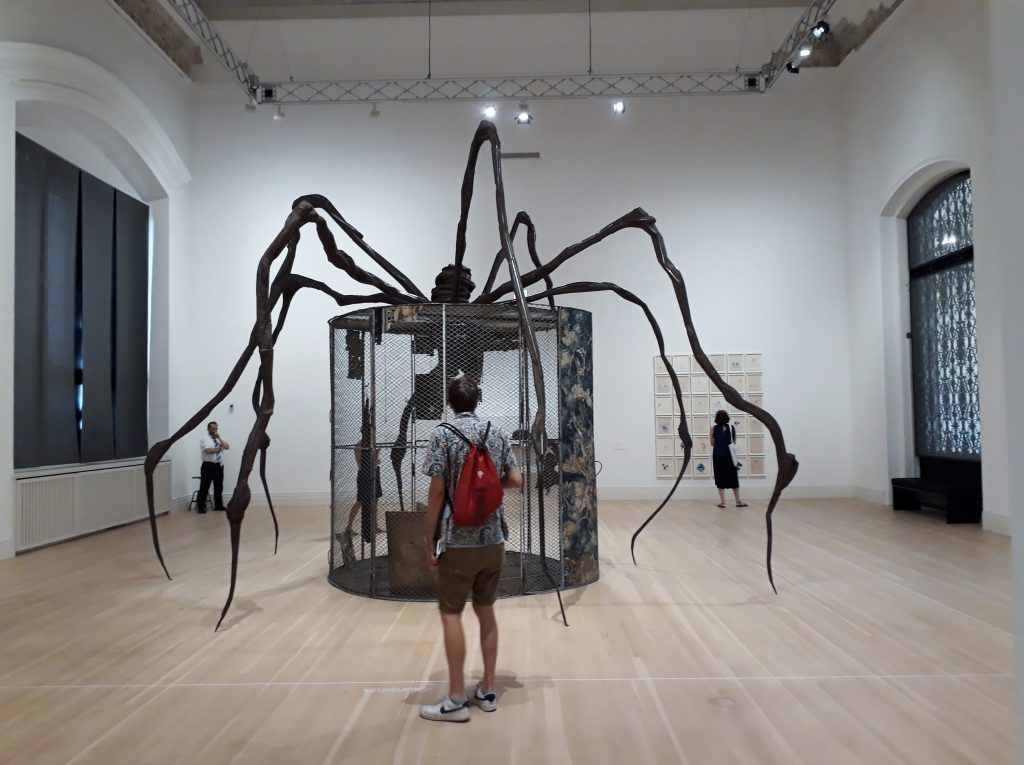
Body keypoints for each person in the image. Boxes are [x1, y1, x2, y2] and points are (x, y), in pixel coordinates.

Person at [419, 376, 523, 723]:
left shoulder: (442, 434)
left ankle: (457, 699)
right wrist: (487, 486)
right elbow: (516, 481)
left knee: (452, 614)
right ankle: (488, 690)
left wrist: (429, 537)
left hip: (457, 540)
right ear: (477, 400)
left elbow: (436, 492)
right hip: (494, 539)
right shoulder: (496, 431)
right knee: (486, 612)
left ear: (450, 402)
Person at [711, 409, 748, 509]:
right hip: (730, 456)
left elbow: (712, 443)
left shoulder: (713, 428)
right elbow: (734, 442)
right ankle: (738, 501)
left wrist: (719, 442)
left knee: (720, 477)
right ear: (727, 418)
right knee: (733, 478)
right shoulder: (732, 428)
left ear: (716, 418)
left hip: (718, 456)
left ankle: (722, 502)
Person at [197, 421, 230, 514]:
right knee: (205, 486)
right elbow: (207, 450)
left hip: (219, 466)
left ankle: (218, 505)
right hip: (208, 466)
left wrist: (219, 439)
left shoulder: (219, 438)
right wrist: (219, 449)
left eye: (216, 428)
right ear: (208, 429)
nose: (215, 430)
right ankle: (201, 506)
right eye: (213, 429)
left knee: (219, 486)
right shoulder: (204, 439)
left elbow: (227, 447)